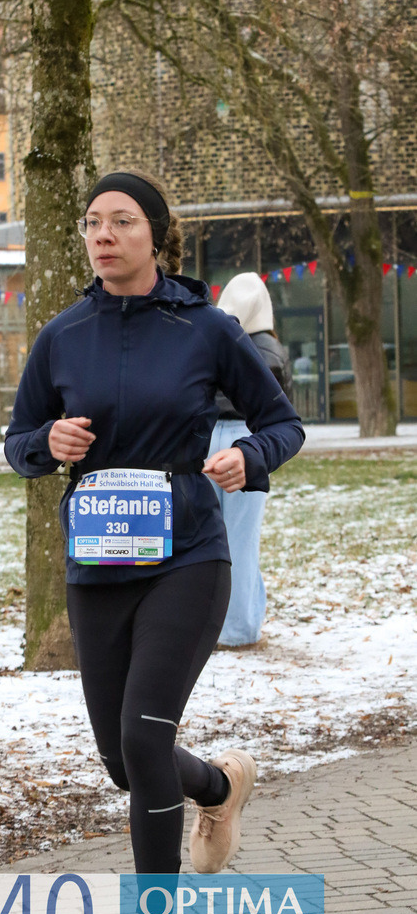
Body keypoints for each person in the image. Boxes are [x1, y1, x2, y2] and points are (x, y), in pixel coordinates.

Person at [4, 171, 304, 914]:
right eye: (92, 223)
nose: (102, 235)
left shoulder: (205, 328)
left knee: (143, 736)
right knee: (120, 761)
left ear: (155, 235)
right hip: (98, 565)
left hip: (188, 557)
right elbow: (18, 439)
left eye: (121, 221)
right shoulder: (63, 333)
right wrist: (46, 447)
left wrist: (247, 454)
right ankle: (215, 787)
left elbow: (282, 421)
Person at [209, 273, 294, 646]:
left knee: (204, 536)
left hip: (207, 438)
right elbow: (281, 407)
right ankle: (239, 628)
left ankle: (205, 623)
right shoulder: (272, 350)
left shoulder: (214, 339)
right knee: (242, 539)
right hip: (249, 439)